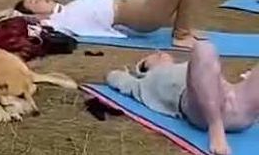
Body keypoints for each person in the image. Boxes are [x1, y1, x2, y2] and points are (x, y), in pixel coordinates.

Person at [107, 41, 259, 155]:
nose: (159, 53)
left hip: (237, 104)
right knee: (203, 48)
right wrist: (119, 75)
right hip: (202, 109)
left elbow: (210, 74)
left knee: (205, 54)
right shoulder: (146, 82)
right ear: (145, 67)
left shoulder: (186, 66)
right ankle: (216, 126)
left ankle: (217, 121)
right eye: (154, 56)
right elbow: (115, 78)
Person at [14, 0, 205, 49]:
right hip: (142, 15)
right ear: (35, 14)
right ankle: (181, 35)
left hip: (140, 9)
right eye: (34, 2)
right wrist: (15, 14)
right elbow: (19, 21)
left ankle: (184, 28)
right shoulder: (56, 22)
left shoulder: (65, 10)